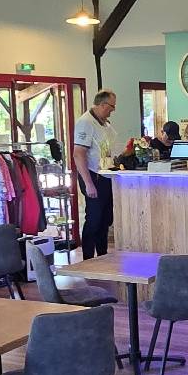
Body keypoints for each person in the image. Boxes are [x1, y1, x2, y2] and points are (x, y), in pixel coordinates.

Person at [73, 89, 117, 260]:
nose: (112, 111)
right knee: (94, 219)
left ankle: (102, 257)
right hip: (93, 176)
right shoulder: (86, 123)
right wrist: (89, 183)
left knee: (105, 220)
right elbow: (78, 154)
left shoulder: (104, 123)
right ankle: (88, 260)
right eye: (111, 107)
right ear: (103, 104)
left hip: (105, 176)